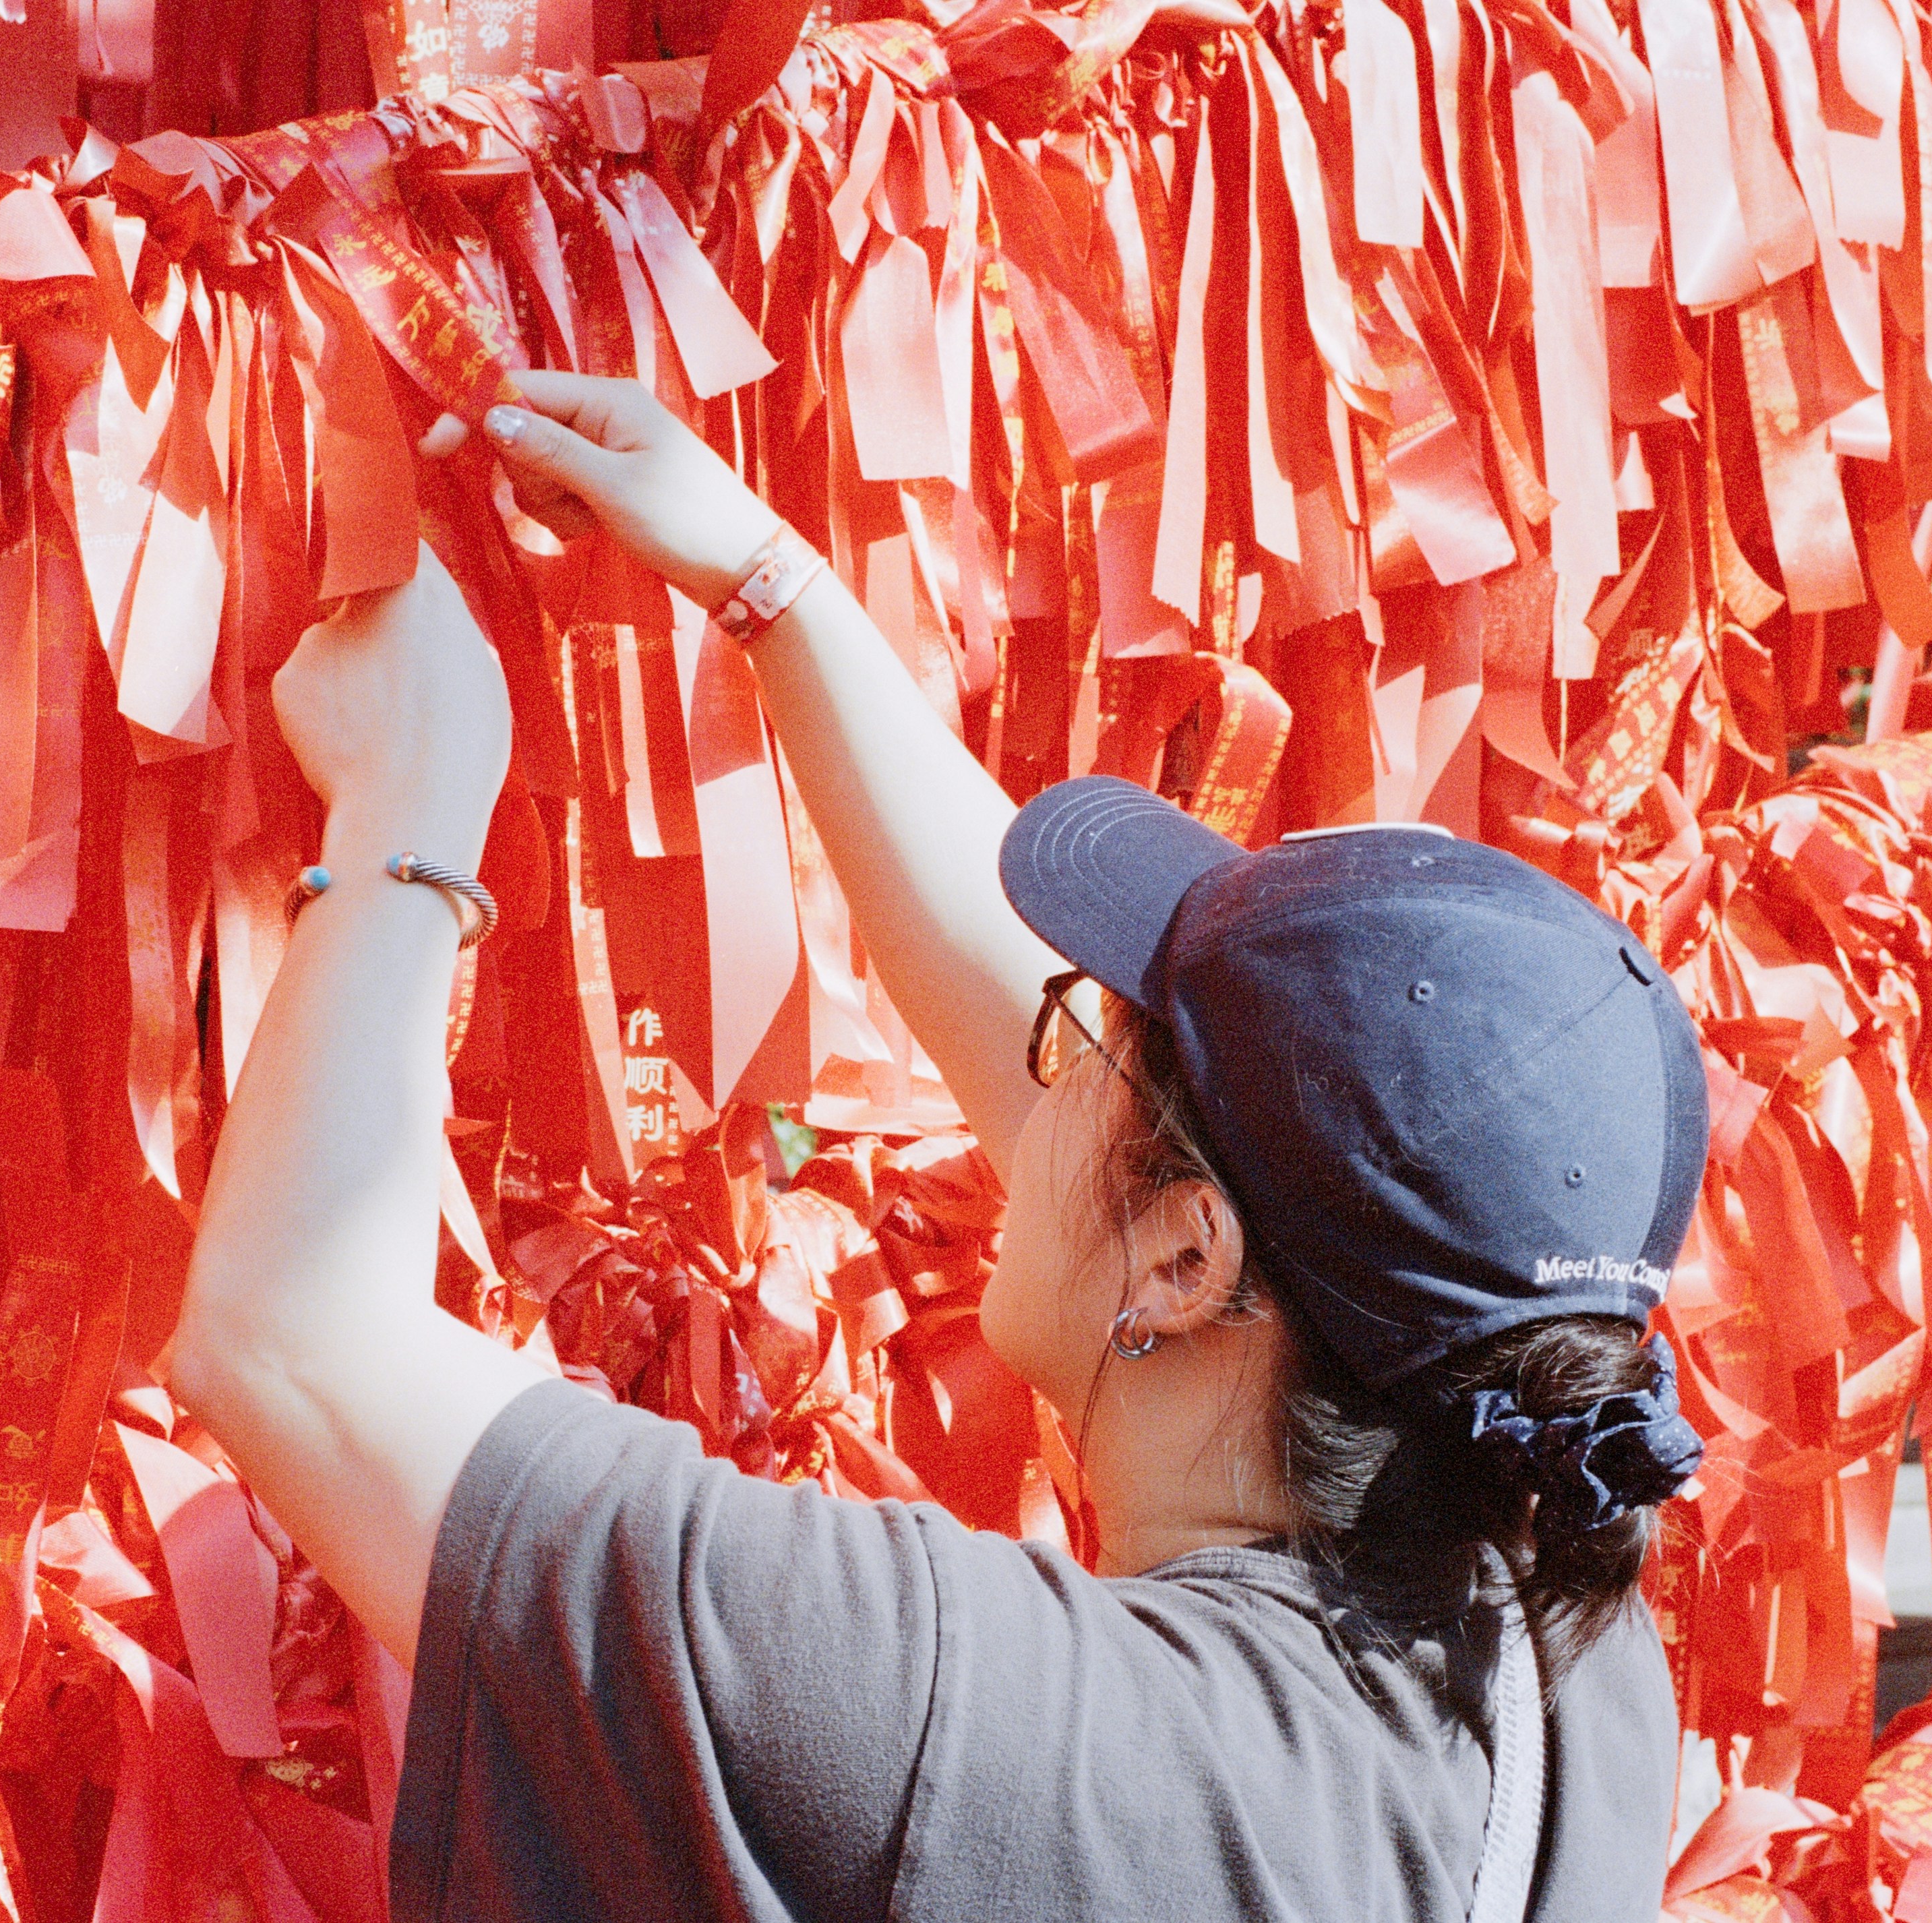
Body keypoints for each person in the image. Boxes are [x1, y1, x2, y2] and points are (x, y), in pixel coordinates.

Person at [165, 372, 1709, 1923]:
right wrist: (766, 582)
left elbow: (289, 1334)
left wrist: (406, 793)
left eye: (1088, 1039)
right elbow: (1087, 1067)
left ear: (1185, 1257)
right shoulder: (1549, 1621)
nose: (1037, 1061)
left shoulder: (946, 1714)